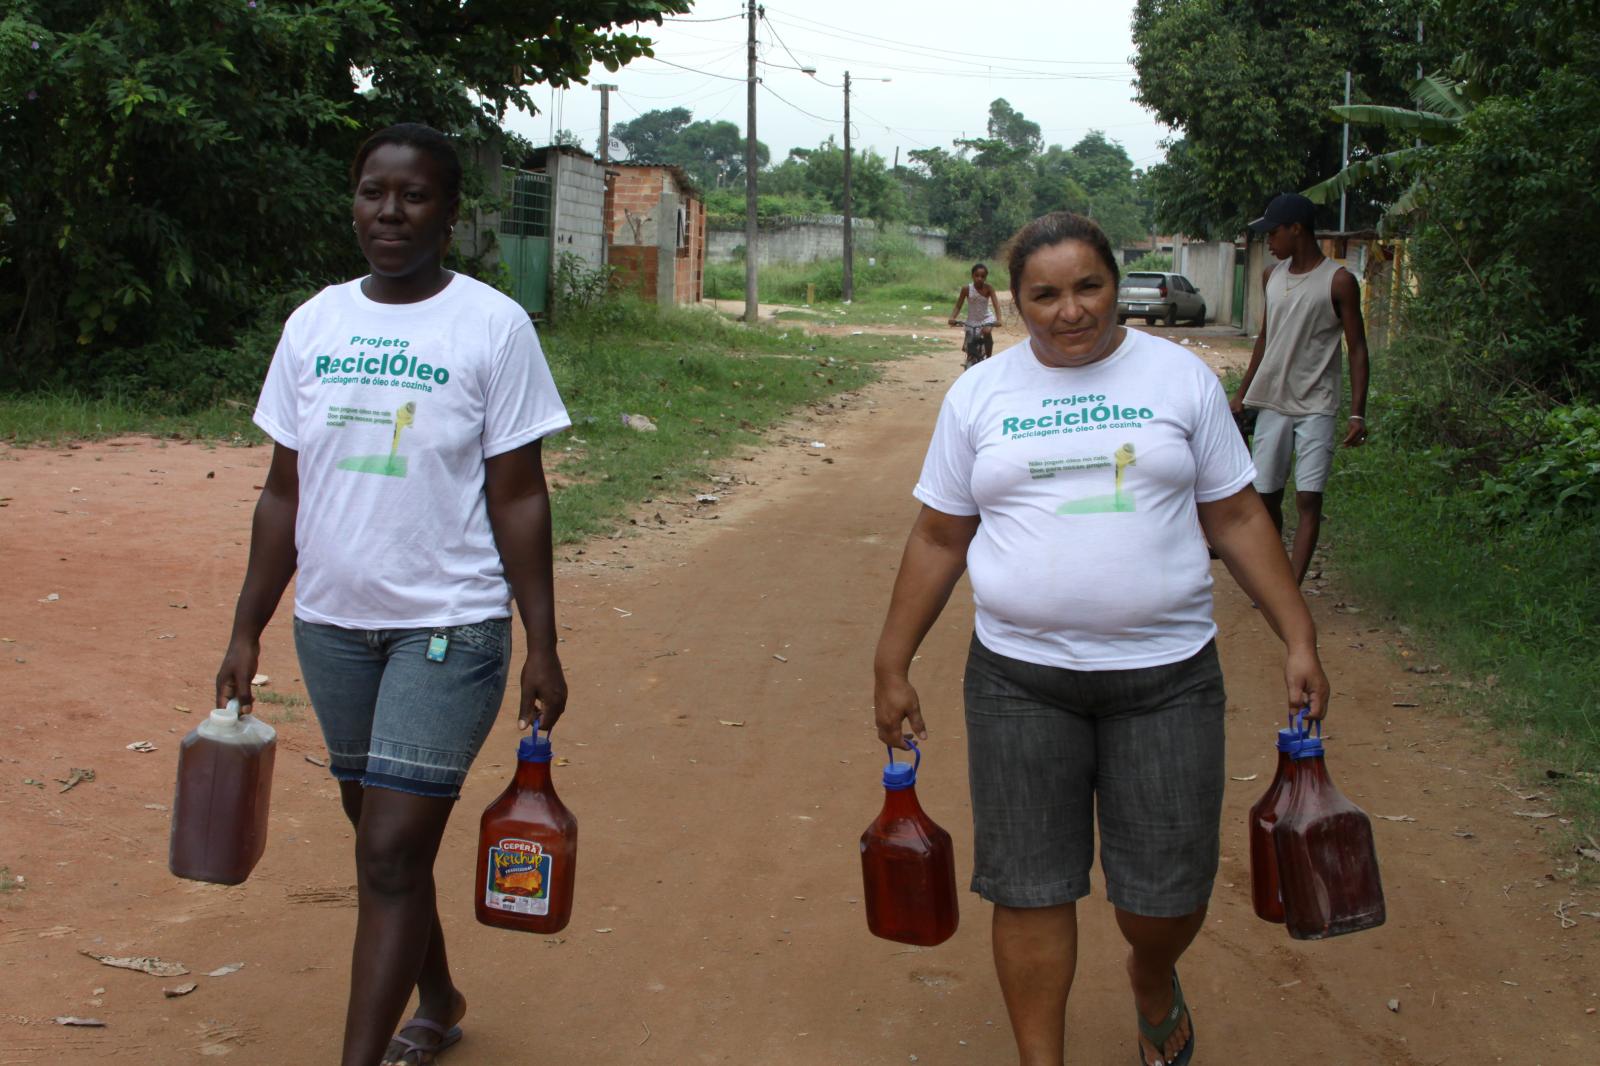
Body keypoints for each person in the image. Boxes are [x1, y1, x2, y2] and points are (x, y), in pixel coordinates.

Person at [873, 211, 1330, 1066]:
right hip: (1018, 681)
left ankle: (1151, 974)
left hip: (1168, 680)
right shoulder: (980, 396)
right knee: (1029, 887)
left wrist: (1296, 635)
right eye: (1046, 295)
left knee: (1165, 899)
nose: (1071, 310)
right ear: (1015, 303)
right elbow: (938, 536)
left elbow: (1235, 516)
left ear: (1117, 285)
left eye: (1089, 286)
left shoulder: (1178, 378)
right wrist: (890, 662)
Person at [214, 123, 571, 1066]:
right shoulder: (314, 324)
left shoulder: (492, 325)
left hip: (449, 626)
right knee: (383, 843)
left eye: (414, 196)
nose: (390, 212)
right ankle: (439, 996)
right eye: (374, 191)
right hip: (332, 627)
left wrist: (542, 640)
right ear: (354, 200)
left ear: (450, 214)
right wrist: (247, 627)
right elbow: (284, 491)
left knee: (387, 851)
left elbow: (520, 493)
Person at [1231, 192, 1370, 586]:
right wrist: (1242, 393)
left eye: (1273, 233)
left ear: (1296, 229)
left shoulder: (1338, 281)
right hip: (1272, 401)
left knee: (1308, 497)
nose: (1269, 242)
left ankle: (1290, 588)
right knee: (1265, 496)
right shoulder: (1271, 277)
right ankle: (1275, 575)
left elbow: (1358, 348)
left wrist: (1357, 412)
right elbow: (1265, 337)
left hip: (1316, 404)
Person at [949, 262, 1003, 368]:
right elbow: (958, 306)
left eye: (983, 276)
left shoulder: (989, 288)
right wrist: (952, 318)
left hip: (986, 318)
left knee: (986, 332)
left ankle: (988, 358)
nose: (979, 278)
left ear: (986, 277)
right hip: (972, 320)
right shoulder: (966, 289)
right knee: (970, 347)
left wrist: (999, 319)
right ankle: (970, 362)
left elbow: (996, 305)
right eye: (977, 275)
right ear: (972, 276)